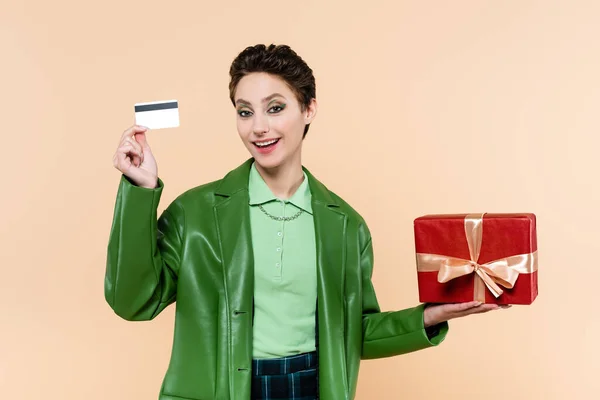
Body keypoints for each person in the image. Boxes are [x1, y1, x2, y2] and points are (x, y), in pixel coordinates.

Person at [106, 44, 502, 400]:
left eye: (275, 108)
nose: (258, 126)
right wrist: (141, 190)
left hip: (310, 389)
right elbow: (133, 301)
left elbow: (352, 333)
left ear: (308, 108)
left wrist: (429, 316)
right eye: (245, 112)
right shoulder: (195, 213)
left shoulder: (346, 226)